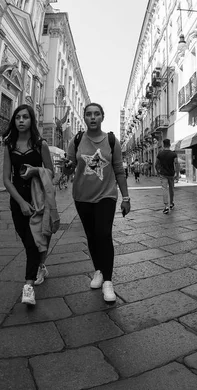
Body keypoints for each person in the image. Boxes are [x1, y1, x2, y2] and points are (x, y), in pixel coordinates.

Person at [64, 103, 130, 302]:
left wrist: (126, 197)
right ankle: (99, 271)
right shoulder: (76, 141)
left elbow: (119, 170)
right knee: (91, 236)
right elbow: (68, 170)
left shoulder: (112, 141)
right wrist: (67, 167)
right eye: (89, 114)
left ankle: (108, 281)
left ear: (102, 117)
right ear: (84, 118)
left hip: (106, 196)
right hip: (82, 197)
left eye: (96, 114)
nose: (93, 117)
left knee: (104, 234)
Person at [2, 104, 55, 306]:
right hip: (18, 201)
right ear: (14, 121)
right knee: (28, 242)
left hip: (38, 199)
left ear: (32, 120)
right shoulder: (9, 146)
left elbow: (51, 172)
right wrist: (21, 202)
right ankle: (41, 265)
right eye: (17, 117)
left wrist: (36, 171)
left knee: (34, 243)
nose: (21, 120)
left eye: (25, 117)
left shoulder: (40, 144)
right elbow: (6, 179)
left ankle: (28, 287)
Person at [155, 139, 180, 214]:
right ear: (169, 145)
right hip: (171, 174)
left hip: (163, 174)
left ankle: (166, 206)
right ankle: (171, 203)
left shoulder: (160, 154)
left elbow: (156, 164)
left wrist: (158, 172)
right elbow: (176, 164)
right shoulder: (173, 154)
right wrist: (177, 174)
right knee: (171, 189)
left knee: (164, 189)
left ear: (163, 145)